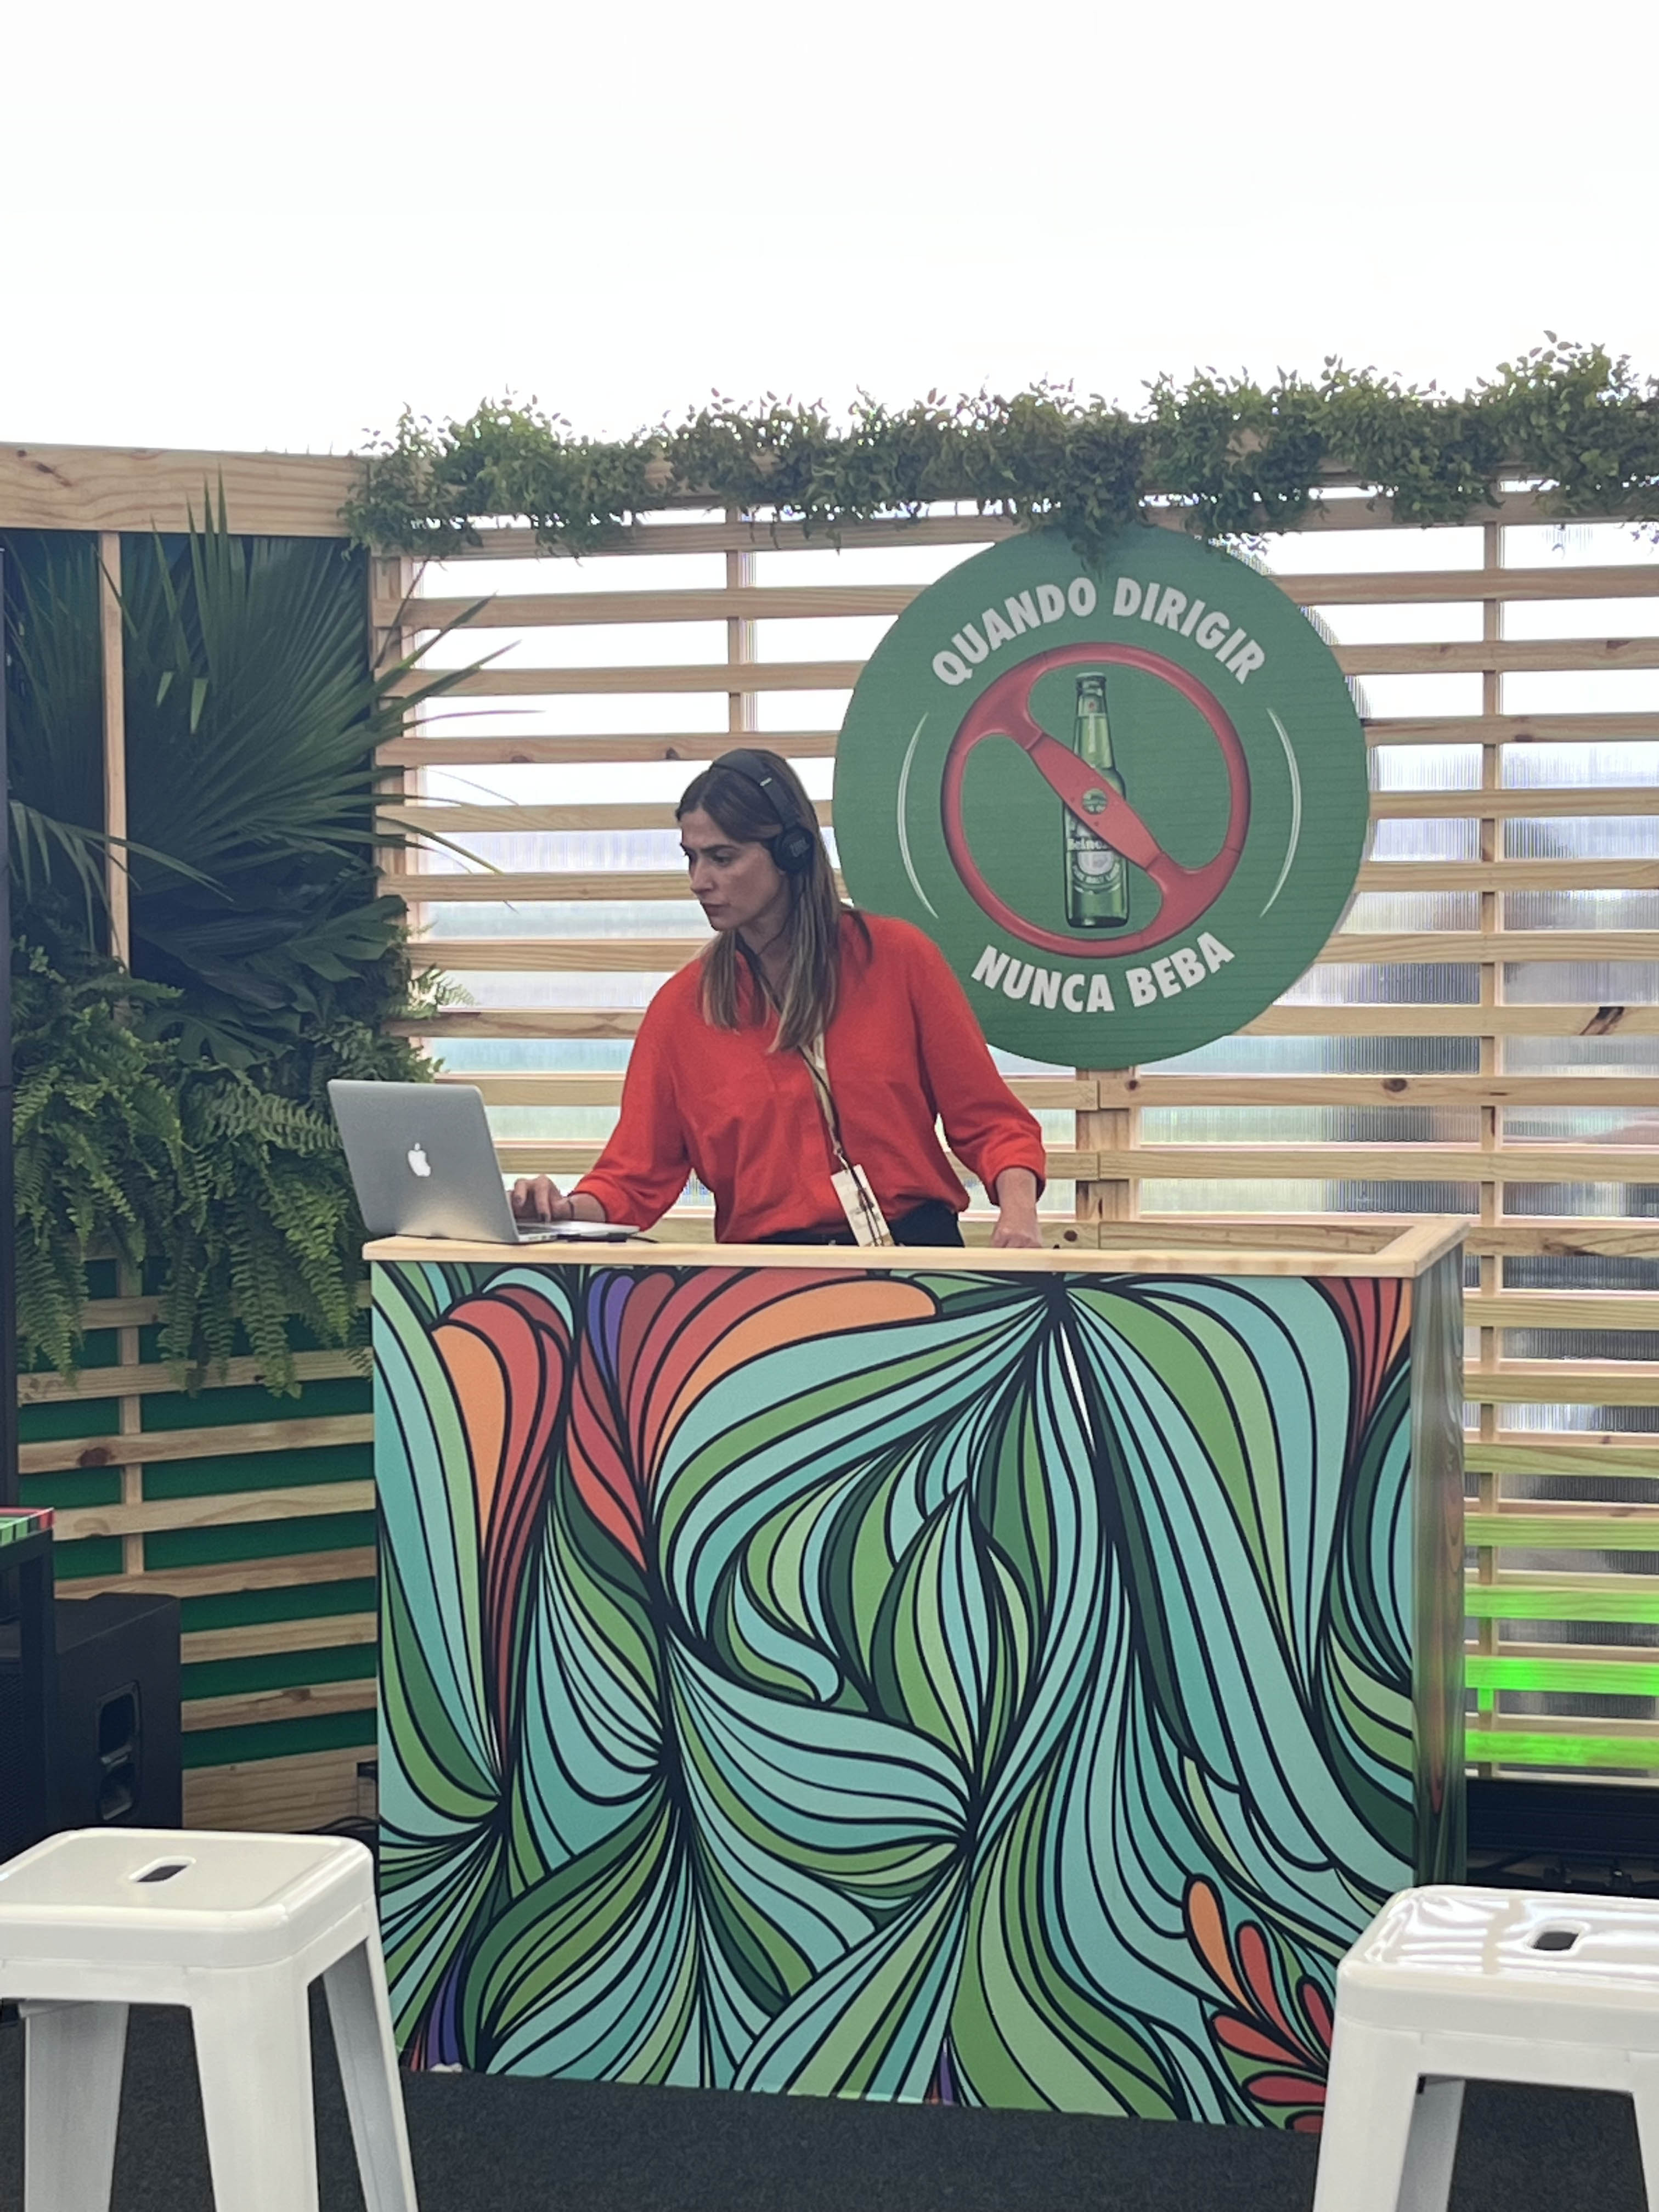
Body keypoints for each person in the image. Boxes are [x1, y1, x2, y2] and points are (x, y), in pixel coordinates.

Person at [510, 748, 1047, 1248]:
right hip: (766, 1280)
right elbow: (632, 1178)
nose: (699, 881)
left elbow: (993, 1124)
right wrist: (561, 1211)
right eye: (691, 858)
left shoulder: (901, 960)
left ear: (792, 852)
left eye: (722, 858)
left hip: (912, 1253)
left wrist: (1019, 1214)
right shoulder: (681, 1009)